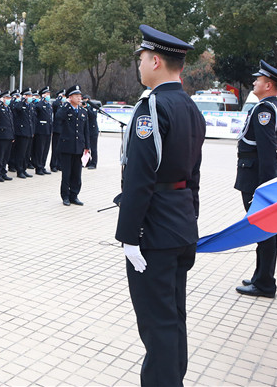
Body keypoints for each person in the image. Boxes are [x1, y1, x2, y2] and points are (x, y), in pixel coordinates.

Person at [115, 24, 205, 387]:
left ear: (155, 60)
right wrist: (190, 219)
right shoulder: (189, 106)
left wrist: (129, 235)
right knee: (173, 316)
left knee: (157, 324)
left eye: (140, 59)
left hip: (154, 233)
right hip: (180, 225)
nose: (138, 65)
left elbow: (140, 176)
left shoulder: (152, 106)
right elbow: (194, 174)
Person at [234, 60, 277, 299]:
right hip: (256, 175)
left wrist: (265, 187)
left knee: (265, 231)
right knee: (262, 230)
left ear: (268, 85)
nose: (254, 82)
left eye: (258, 79)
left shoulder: (264, 109)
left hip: (257, 178)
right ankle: (260, 277)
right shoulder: (270, 106)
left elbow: (268, 151)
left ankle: (265, 283)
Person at [54, 85, 90, 206]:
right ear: (70, 97)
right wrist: (66, 105)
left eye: (80, 96)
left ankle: (74, 195)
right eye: (76, 96)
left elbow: (86, 131)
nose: (79, 98)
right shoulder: (65, 109)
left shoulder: (83, 112)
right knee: (66, 174)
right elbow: (58, 118)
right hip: (66, 146)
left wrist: (87, 147)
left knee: (77, 174)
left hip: (79, 146)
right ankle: (65, 196)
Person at [32, 86, 53, 175]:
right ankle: (38, 167)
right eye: (46, 94)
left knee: (46, 150)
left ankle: (43, 166)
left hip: (48, 130)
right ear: (42, 95)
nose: (48, 95)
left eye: (49, 94)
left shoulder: (49, 105)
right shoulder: (39, 105)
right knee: (39, 150)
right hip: (41, 131)